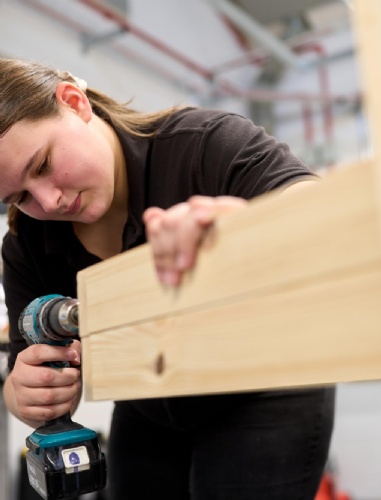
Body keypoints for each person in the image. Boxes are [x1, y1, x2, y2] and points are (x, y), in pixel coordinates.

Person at [0, 57, 335, 500]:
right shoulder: (27, 244)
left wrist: (246, 227)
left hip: (263, 386)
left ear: (75, 102)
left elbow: (323, 211)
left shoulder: (206, 145)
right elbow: (22, 365)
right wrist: (24, 393)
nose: (49, 201)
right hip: (149, 402)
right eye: (20, 196)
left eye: (43, 164)